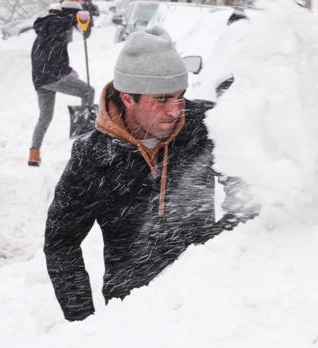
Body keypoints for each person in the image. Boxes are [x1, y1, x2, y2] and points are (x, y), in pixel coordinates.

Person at [44, 26, 256, 322]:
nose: (174, 111)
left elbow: (250, 187)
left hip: (206, 300)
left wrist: (222, 242)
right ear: (128, 98)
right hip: (134, 314)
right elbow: (61, 243)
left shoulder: (204, 127)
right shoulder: (93, 156)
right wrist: (84, 322)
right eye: (162, 99)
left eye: (180, 97)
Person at [29, 0, 94, 166]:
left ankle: (34, 154)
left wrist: (67, 70)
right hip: (52, 76)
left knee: (45, 117)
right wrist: (79, 19)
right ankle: (84, 133)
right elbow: (62, 24)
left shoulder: (47, 28)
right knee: (88, 91)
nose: (71, 33)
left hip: (41, 80)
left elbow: (52, 56)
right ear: (70, 14)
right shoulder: (56, 22)